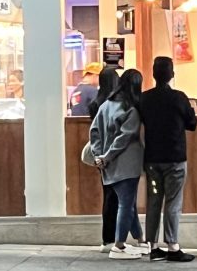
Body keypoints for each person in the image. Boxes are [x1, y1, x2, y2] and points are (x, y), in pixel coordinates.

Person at [139, 57, 197, 263]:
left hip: (152, 161)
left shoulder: (144, 99)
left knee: (154, 201)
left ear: (153, 74)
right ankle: (173, 246)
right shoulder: (179, 98)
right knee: (173, 202)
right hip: (175, 160)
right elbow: (192, 124)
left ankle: (153, 248)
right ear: (172, 75)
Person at [90, 68, 146, 260]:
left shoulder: (105, 105)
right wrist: (107, 156)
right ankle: (119, 246)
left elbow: (94, 132)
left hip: (108, 166)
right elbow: (124, 138)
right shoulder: (131, 110)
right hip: (126, 164)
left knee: (127, 204)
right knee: (126, 205)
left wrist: (99, 156)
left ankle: (140, 240)